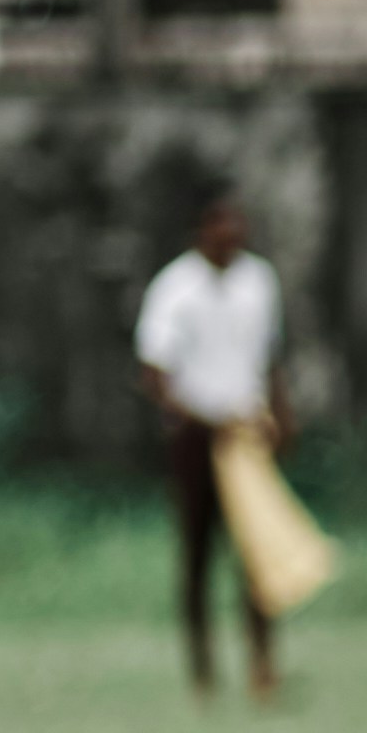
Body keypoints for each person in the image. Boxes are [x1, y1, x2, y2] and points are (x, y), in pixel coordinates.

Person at [134, 186, 293, 702]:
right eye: (222, 223)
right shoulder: (175, 288)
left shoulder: (258, 281)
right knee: (198, 553)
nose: (233, 233)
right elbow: (155, 372)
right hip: (198, 437)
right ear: (202, 229)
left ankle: (263, 664)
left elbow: (269, 359)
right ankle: (202, 669)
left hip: (245, 435)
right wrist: (195, 417)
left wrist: (279, 417)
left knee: (257, 552)